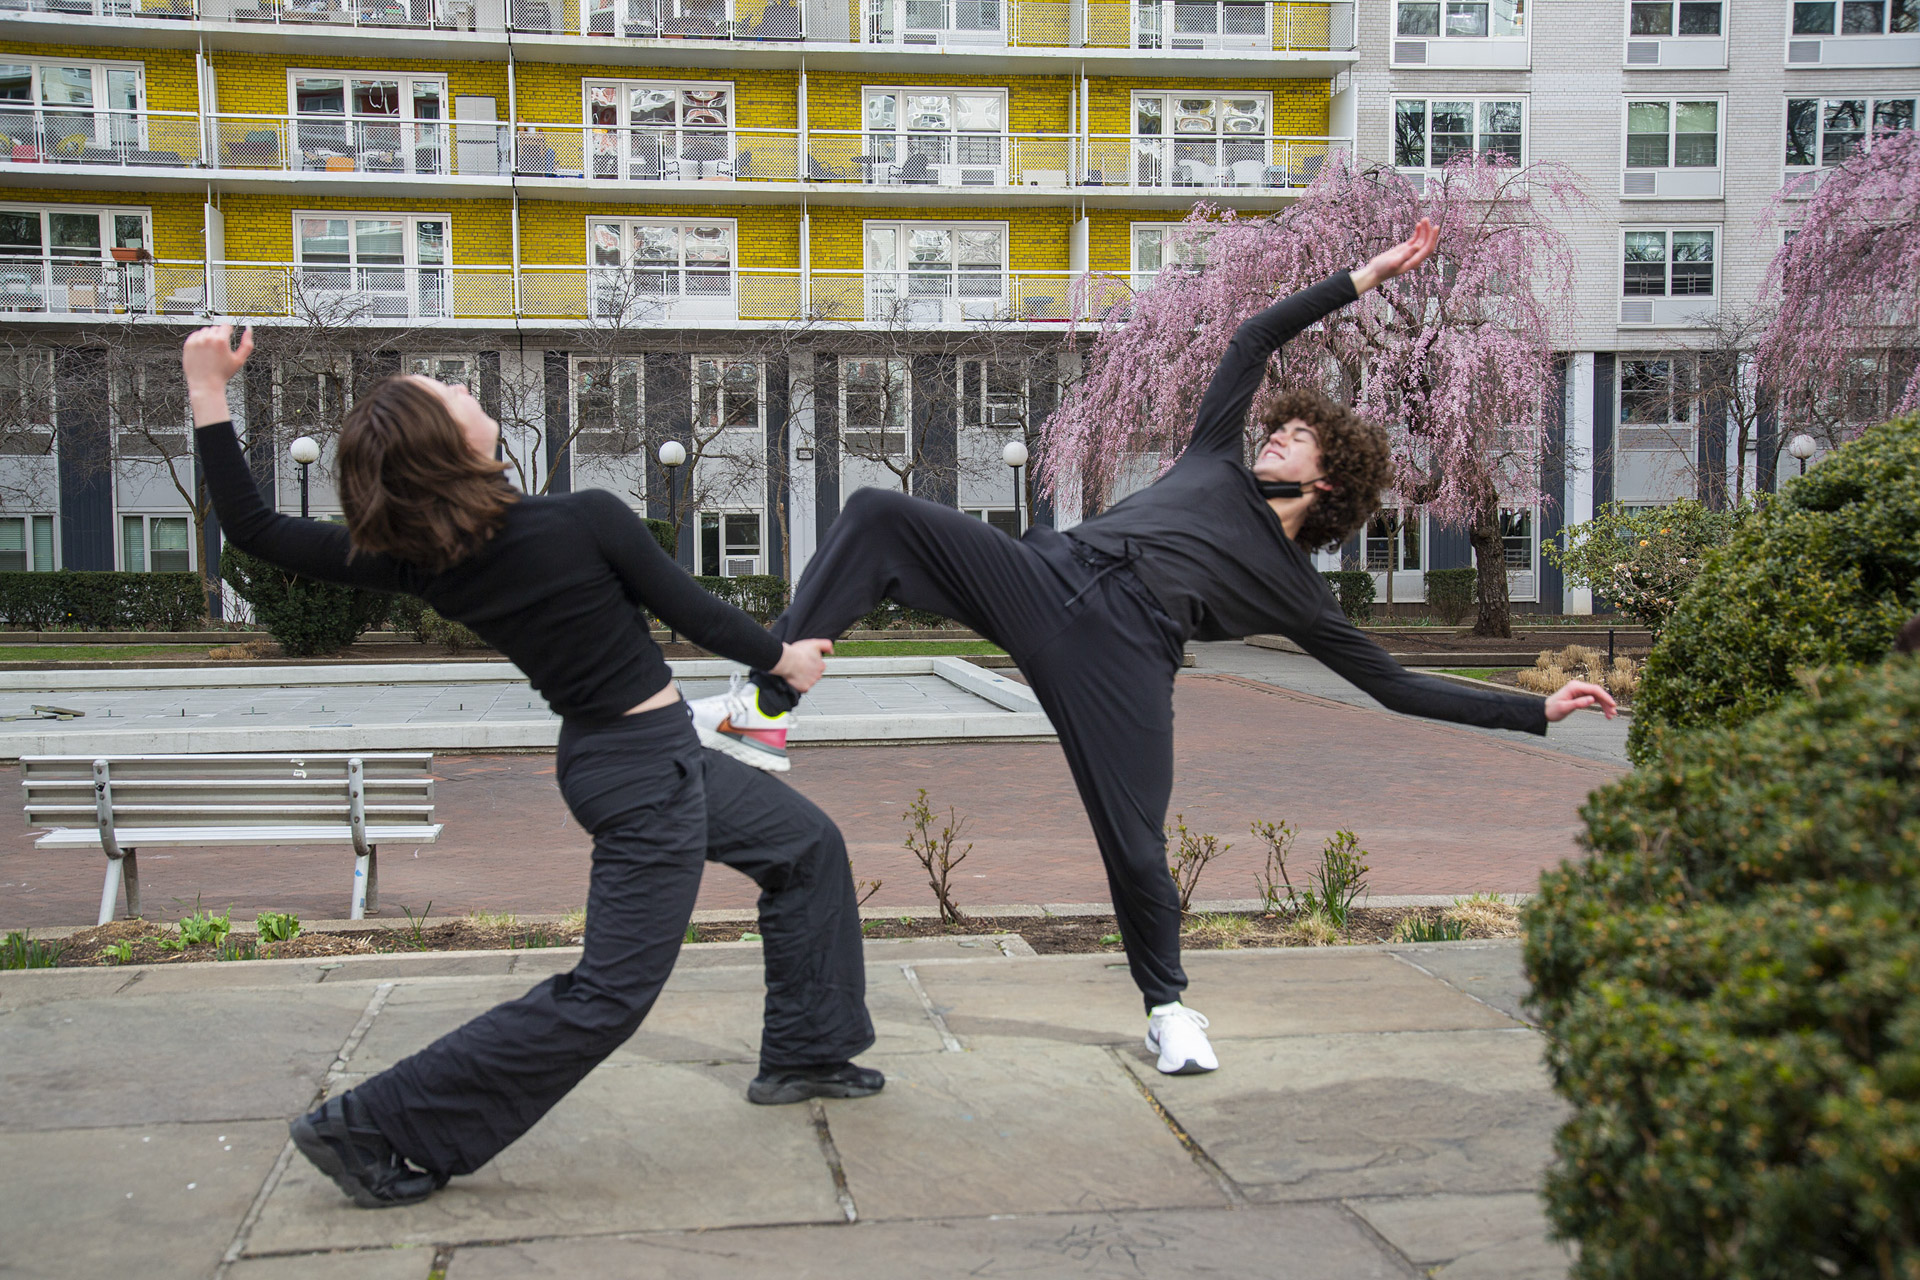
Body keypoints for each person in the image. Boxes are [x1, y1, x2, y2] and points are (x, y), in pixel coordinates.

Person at [691, 219, 1616, 1076]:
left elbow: (1395, 685)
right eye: (1284, 424)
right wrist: (1363, 277)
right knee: (876, 515)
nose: (1281, 431)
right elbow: (1252, 340)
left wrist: (1533, 710)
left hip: (1125, 662)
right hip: (1049, 578)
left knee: (1135, 845)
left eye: (1300, 437)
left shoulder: (1297, 592)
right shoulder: (1217, 454)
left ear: (1328, 481)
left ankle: (1169, 1008)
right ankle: (769, 704)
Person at [182, 326, 880, 1211]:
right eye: (451, 393)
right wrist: (784, 661)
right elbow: (697, 614)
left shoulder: (424, 558)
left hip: (626, 761)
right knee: (607, 996)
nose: (468, 394)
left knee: (805, 846)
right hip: (643, 776)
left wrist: (208, 392)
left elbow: (255, 530)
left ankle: (809, 1052)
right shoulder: (581, 519)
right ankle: (370, 1126)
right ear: (453, 444)